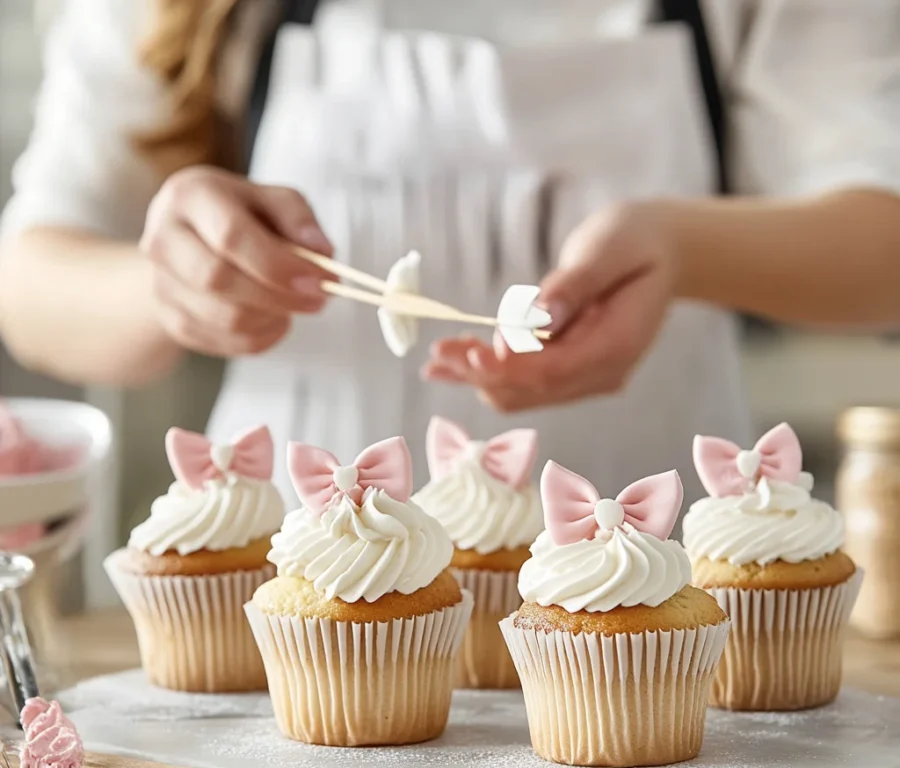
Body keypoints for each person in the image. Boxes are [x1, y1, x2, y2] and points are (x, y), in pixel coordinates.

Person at [1, 0, 899, 507]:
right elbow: (30, 283)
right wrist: (171, 286)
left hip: (663, 584)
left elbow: (883, 248)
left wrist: (683, 249)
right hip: (288, 604)